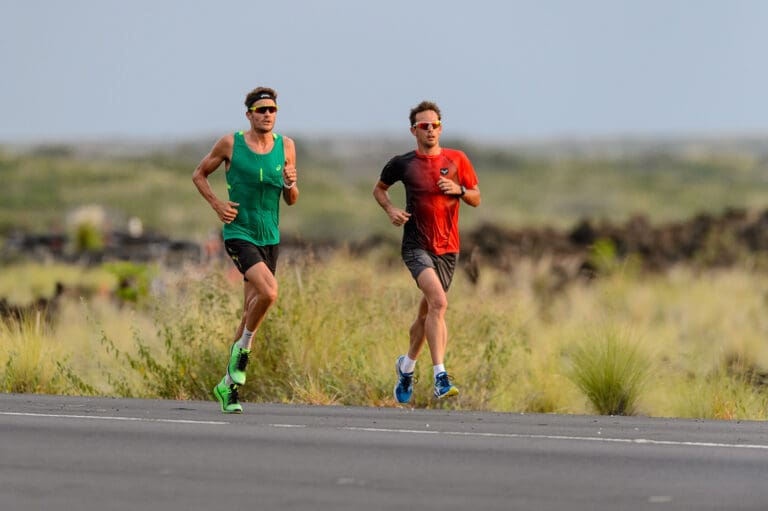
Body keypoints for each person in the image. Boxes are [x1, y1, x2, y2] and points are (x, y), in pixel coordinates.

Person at [192, 87, 299, 413]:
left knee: (250, 306)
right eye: (260, 109)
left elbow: (291, 199)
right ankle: (244, 351)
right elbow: (199, 175)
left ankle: (228, 387)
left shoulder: (287, 146)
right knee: (269, 293)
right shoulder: (230, 143)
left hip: (270, 236)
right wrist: (217, 205)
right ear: (249, 114)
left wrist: (291, 183)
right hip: (239, 232)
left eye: (272, 109)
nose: (267, 114)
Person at [373, 100, 480, 403]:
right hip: (416, 246)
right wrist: (391, 210)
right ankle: (440, 378)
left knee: (427, 314)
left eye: (434, 125)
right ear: (413, 130)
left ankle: (406, 367)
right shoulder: (403, 163)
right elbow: (379, 189)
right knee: (439, 302)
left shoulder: (457, 159)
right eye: (424, 126)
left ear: (440, 128)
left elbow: (476, 197)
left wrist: (458, 190)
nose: (430, 130)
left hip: (448, 249)